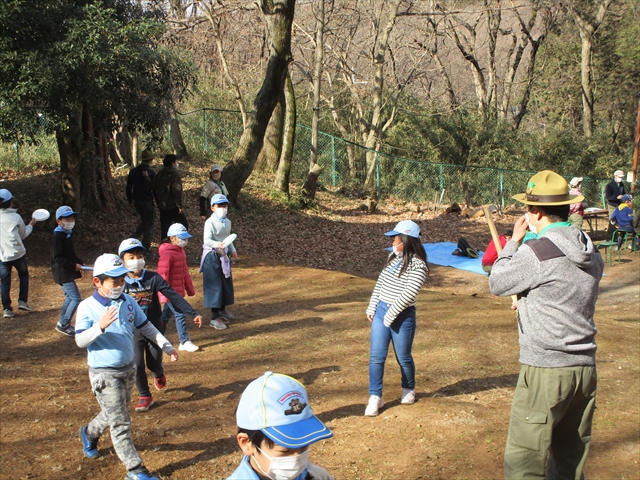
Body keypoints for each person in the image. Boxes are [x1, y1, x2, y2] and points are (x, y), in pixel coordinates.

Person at [489, 170, 604, 479]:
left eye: (528, 207)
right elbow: (566, 292)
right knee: (569, 460)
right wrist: (527, 299)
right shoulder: (592, 252)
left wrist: (512, 243)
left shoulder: (535, 251)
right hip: (584, 370)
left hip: (545, 369)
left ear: (536, 212)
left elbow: (498, 282)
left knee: (524, 461)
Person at [75, 254, 178, 480]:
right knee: (121, 421)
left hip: (128, 369)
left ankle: (89, 432)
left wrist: (167, 346)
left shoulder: (127, 301)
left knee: (116, 411)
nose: (120, 285)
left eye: (122, 280)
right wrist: (100, 327)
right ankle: (136, 470)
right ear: (97, 282)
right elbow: (80, 340)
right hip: (104, 374)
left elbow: (146, 326)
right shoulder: (87, 307)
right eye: (114, 281)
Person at [118, 238, 202, 412]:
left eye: (139, 256)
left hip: (154, 328)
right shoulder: (120, 282)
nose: (136, 260)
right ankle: (145, 395)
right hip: (132, 331)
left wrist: (192, 312)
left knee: (153, 363)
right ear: (122, 260)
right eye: (131, 257)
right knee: (137, 365)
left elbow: (174, 295)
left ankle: (159, 373)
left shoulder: (152, 278)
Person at [364, 220, 429, 417]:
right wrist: (373, 306)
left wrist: (390, 317)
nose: (393, 241)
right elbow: (380, 283)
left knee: (403, 357)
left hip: (403, 316)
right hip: (382, 312)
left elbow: (409, 294)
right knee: (376, 356)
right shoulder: (392, 257)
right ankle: (375, 396)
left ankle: (408, 388)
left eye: (396, 237)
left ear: (406, 239)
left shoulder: (419, 266)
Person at [228, 371, 334, 480]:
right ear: (246, 443)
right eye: (285, 451)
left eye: (303, 446)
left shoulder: (318, 476)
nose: (297, 459)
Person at [157, 223, 200, 351]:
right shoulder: (167, 254)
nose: (184, 241)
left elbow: (185, 272)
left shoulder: (181, 252)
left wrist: (189, 288)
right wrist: (164, 295)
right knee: (180, 314)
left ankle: (158, 337)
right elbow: (162, 276)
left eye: (185, 238)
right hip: (170, 293)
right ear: (172, 238)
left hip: (178, 292)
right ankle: (184, 341)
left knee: (165, 316)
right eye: (181, 238)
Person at [201, 194, 237, 330]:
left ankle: (222, 309)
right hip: (212, 255)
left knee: (225, 282)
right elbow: (207, 240)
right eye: (219, 206)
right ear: (212, 207)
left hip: (224, 255)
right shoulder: (209, 222)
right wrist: (218, 245)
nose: (223, 208)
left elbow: (229, 238)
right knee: (214, 285)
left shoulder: (228, 222)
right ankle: (214, 317)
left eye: (225, 206)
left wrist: (232, 249)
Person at [0, 188, 37, 318]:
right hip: (18, 254)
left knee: (5, 282)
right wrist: (31, 224)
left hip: (3, 256)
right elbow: (23, 234)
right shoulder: (15, 217)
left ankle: (7, 309)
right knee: (24, 276)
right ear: (10, 202)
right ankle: (22, 301)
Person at [50, 205, 85, 337]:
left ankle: (62, 322)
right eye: (67, 218)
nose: (70, 221)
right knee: (76, 299)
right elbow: (58, 257)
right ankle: (64, 323)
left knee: (69, 298)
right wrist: (73, 266)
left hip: (65, 272)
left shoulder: (66, 235)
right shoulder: (58, 237)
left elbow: (70, 254)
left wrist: (80, 262)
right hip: (63, 274)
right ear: (59, 221)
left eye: (71, 218)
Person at [126, 149, 156, 250]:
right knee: (149, 223)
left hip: (137, 200)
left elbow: (128, 187)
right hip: (147, 201)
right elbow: (155, 188)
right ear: (150, 160)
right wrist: (158, 202)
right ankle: (145, 246)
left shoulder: (133, 171)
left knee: (144, 221)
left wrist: (130, 199)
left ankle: (132, 239)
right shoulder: (151, 173)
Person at [152, 154, 188, 240]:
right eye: (176, 162)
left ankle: (164, 246)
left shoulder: (160, 173)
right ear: (173, 163)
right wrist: (179, 205)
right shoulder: (174, 174)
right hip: (173, 206)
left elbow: (153, 186)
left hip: (163, 206)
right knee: (183, 225)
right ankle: (178, 243)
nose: (177, 163)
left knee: (165, 228)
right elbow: (177, 191)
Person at [605, 169, 626, 234]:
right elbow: (608, 196)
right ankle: (609, 237)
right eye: (620, 177)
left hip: (619, 205)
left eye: (622, 177)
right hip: (612, 205)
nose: (621, 178)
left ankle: (617, 236)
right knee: (613, 221)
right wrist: (616, 198)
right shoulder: (610, 185)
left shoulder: (621, 184)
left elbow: (624, 193)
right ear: (615, 176)